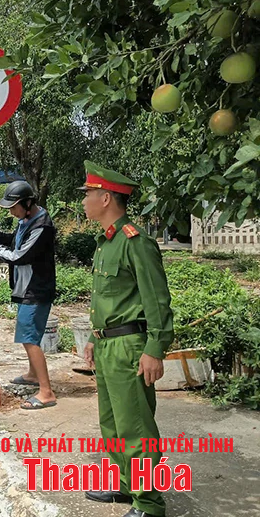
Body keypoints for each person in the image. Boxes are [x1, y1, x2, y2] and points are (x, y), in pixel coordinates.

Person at [79, 161, 174, 517]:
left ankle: (149, 504)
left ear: (105, 198)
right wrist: (92, 337)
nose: (84, 200)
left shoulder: (135, 241)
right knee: (113, 423)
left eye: (88, 194)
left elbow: (156, 298)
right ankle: (125, 484)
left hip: (129, 348)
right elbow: (107, 299)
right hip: (107, 346)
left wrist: (155, 348)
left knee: (135, 425)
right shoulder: (106, 244)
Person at [0, 180, 57, 410]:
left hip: (36, 289)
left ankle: (46, 392)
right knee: (28, 335)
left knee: (28, 338)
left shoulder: (41, 226)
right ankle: (34, 374)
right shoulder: (28, 220)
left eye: (14, 207)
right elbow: (14, 241)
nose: (12, 211)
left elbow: (18, 256)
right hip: (28, 288)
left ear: (27, 203)